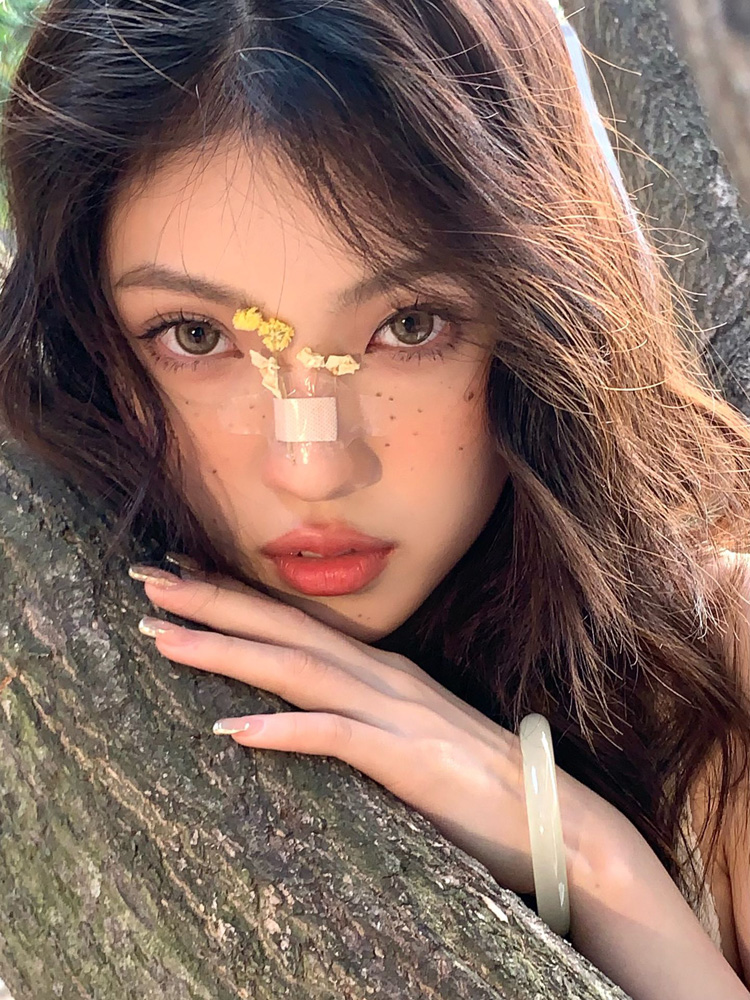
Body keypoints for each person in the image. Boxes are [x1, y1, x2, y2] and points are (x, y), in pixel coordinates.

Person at [1, 1, 750, 996]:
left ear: (540, 319)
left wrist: (586, 856)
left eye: (411, 325)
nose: (315, 470)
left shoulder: (721, 669)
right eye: (196, 336)